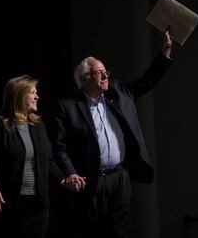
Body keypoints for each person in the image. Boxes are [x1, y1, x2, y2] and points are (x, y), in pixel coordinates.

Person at [50, 30, 174, 238]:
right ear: (84, 79)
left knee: (121, 233)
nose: (107, 76)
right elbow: (59, 147)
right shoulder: (68, 107)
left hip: (119, 177)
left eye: (106, 71)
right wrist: (70, 173)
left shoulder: (118, 93)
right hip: (89, 181)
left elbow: (148, 81)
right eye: (100, 73)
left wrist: (166, 51)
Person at [0, 75, 66, 238]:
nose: (37, 96)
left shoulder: (38, 125)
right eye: (32, 92)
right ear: (19, 95)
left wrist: (64, 180)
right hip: (9, 203)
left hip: (38, 205)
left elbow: (48, 160)